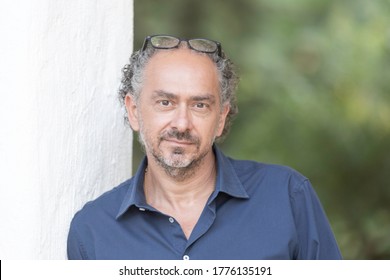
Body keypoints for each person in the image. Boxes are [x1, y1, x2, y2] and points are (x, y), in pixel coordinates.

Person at [67, 35, 342, 260]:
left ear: (221, 118)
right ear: (134, 110)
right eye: (165, 102)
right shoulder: (93, 229)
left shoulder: (287, 197)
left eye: (200, 105)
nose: (182, 123)